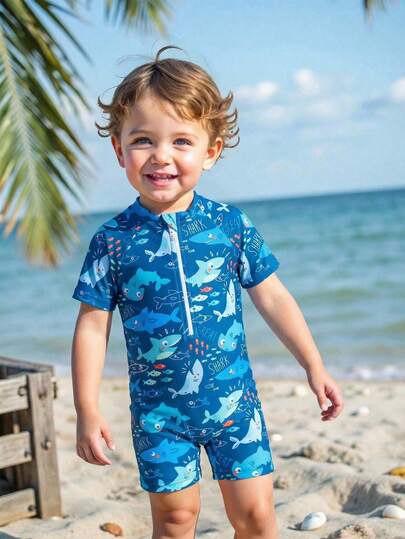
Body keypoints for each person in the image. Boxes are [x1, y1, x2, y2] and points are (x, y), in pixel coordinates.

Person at [71, 45, 344, 539]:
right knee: (175, 521)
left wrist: (314, 365)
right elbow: (92, 328)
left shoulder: (229, 225)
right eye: (142, 140)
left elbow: (273, 297)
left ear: (211, 152)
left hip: (234, 404)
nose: (161, 155)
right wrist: (87, 409)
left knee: (256, 517)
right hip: (158, 416)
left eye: (181, 140)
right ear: (119, 150)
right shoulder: (112, 240)